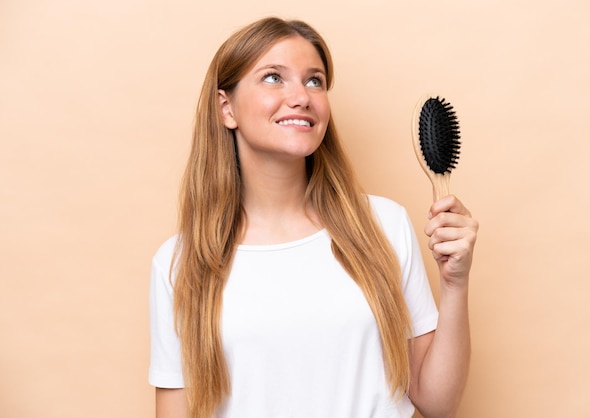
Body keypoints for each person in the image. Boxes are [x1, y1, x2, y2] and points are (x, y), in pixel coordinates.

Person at [149, 16, 478, 418]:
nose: (301, 96)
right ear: (226, 107)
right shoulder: (180, 264)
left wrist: (455, 284)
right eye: (273, 77)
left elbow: (438, 403)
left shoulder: (384, 225)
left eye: (314, 80)